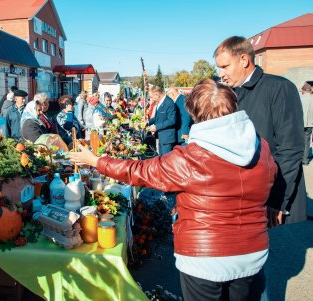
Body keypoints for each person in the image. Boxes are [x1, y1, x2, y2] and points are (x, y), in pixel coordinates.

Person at [70, 79, 277, 301]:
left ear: (196, 113)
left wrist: (96, 160)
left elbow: (138, 170)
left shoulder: (190, 157)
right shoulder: (260, 146)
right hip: (252, 250)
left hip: (205, 257)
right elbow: (270, 179)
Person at [214, 36, 306, 225]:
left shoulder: (279, 88)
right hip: (245, 195)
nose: (220, 74)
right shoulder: (231, 93)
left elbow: (290, 150)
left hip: (272, 197)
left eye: (225, 67)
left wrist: (277, 200)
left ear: (244, 60)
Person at [147, 86, 176, 155]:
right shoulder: (160, 102)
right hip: (161, 137)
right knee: (161, 159)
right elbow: (157, 117)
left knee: (166, 161)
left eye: (151, 97)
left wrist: (156, 127)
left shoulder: (169, 103)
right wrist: (148, 122)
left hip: (167, 138)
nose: (152, 99)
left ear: (157, 95)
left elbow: (172, 120)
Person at [300, 83, 313, 165]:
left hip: (300, 123)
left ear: (304, 91)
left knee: (298, 141)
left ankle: (298, 158)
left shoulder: (300, 98)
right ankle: (305, 160)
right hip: (310, 124)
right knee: (306, 141)